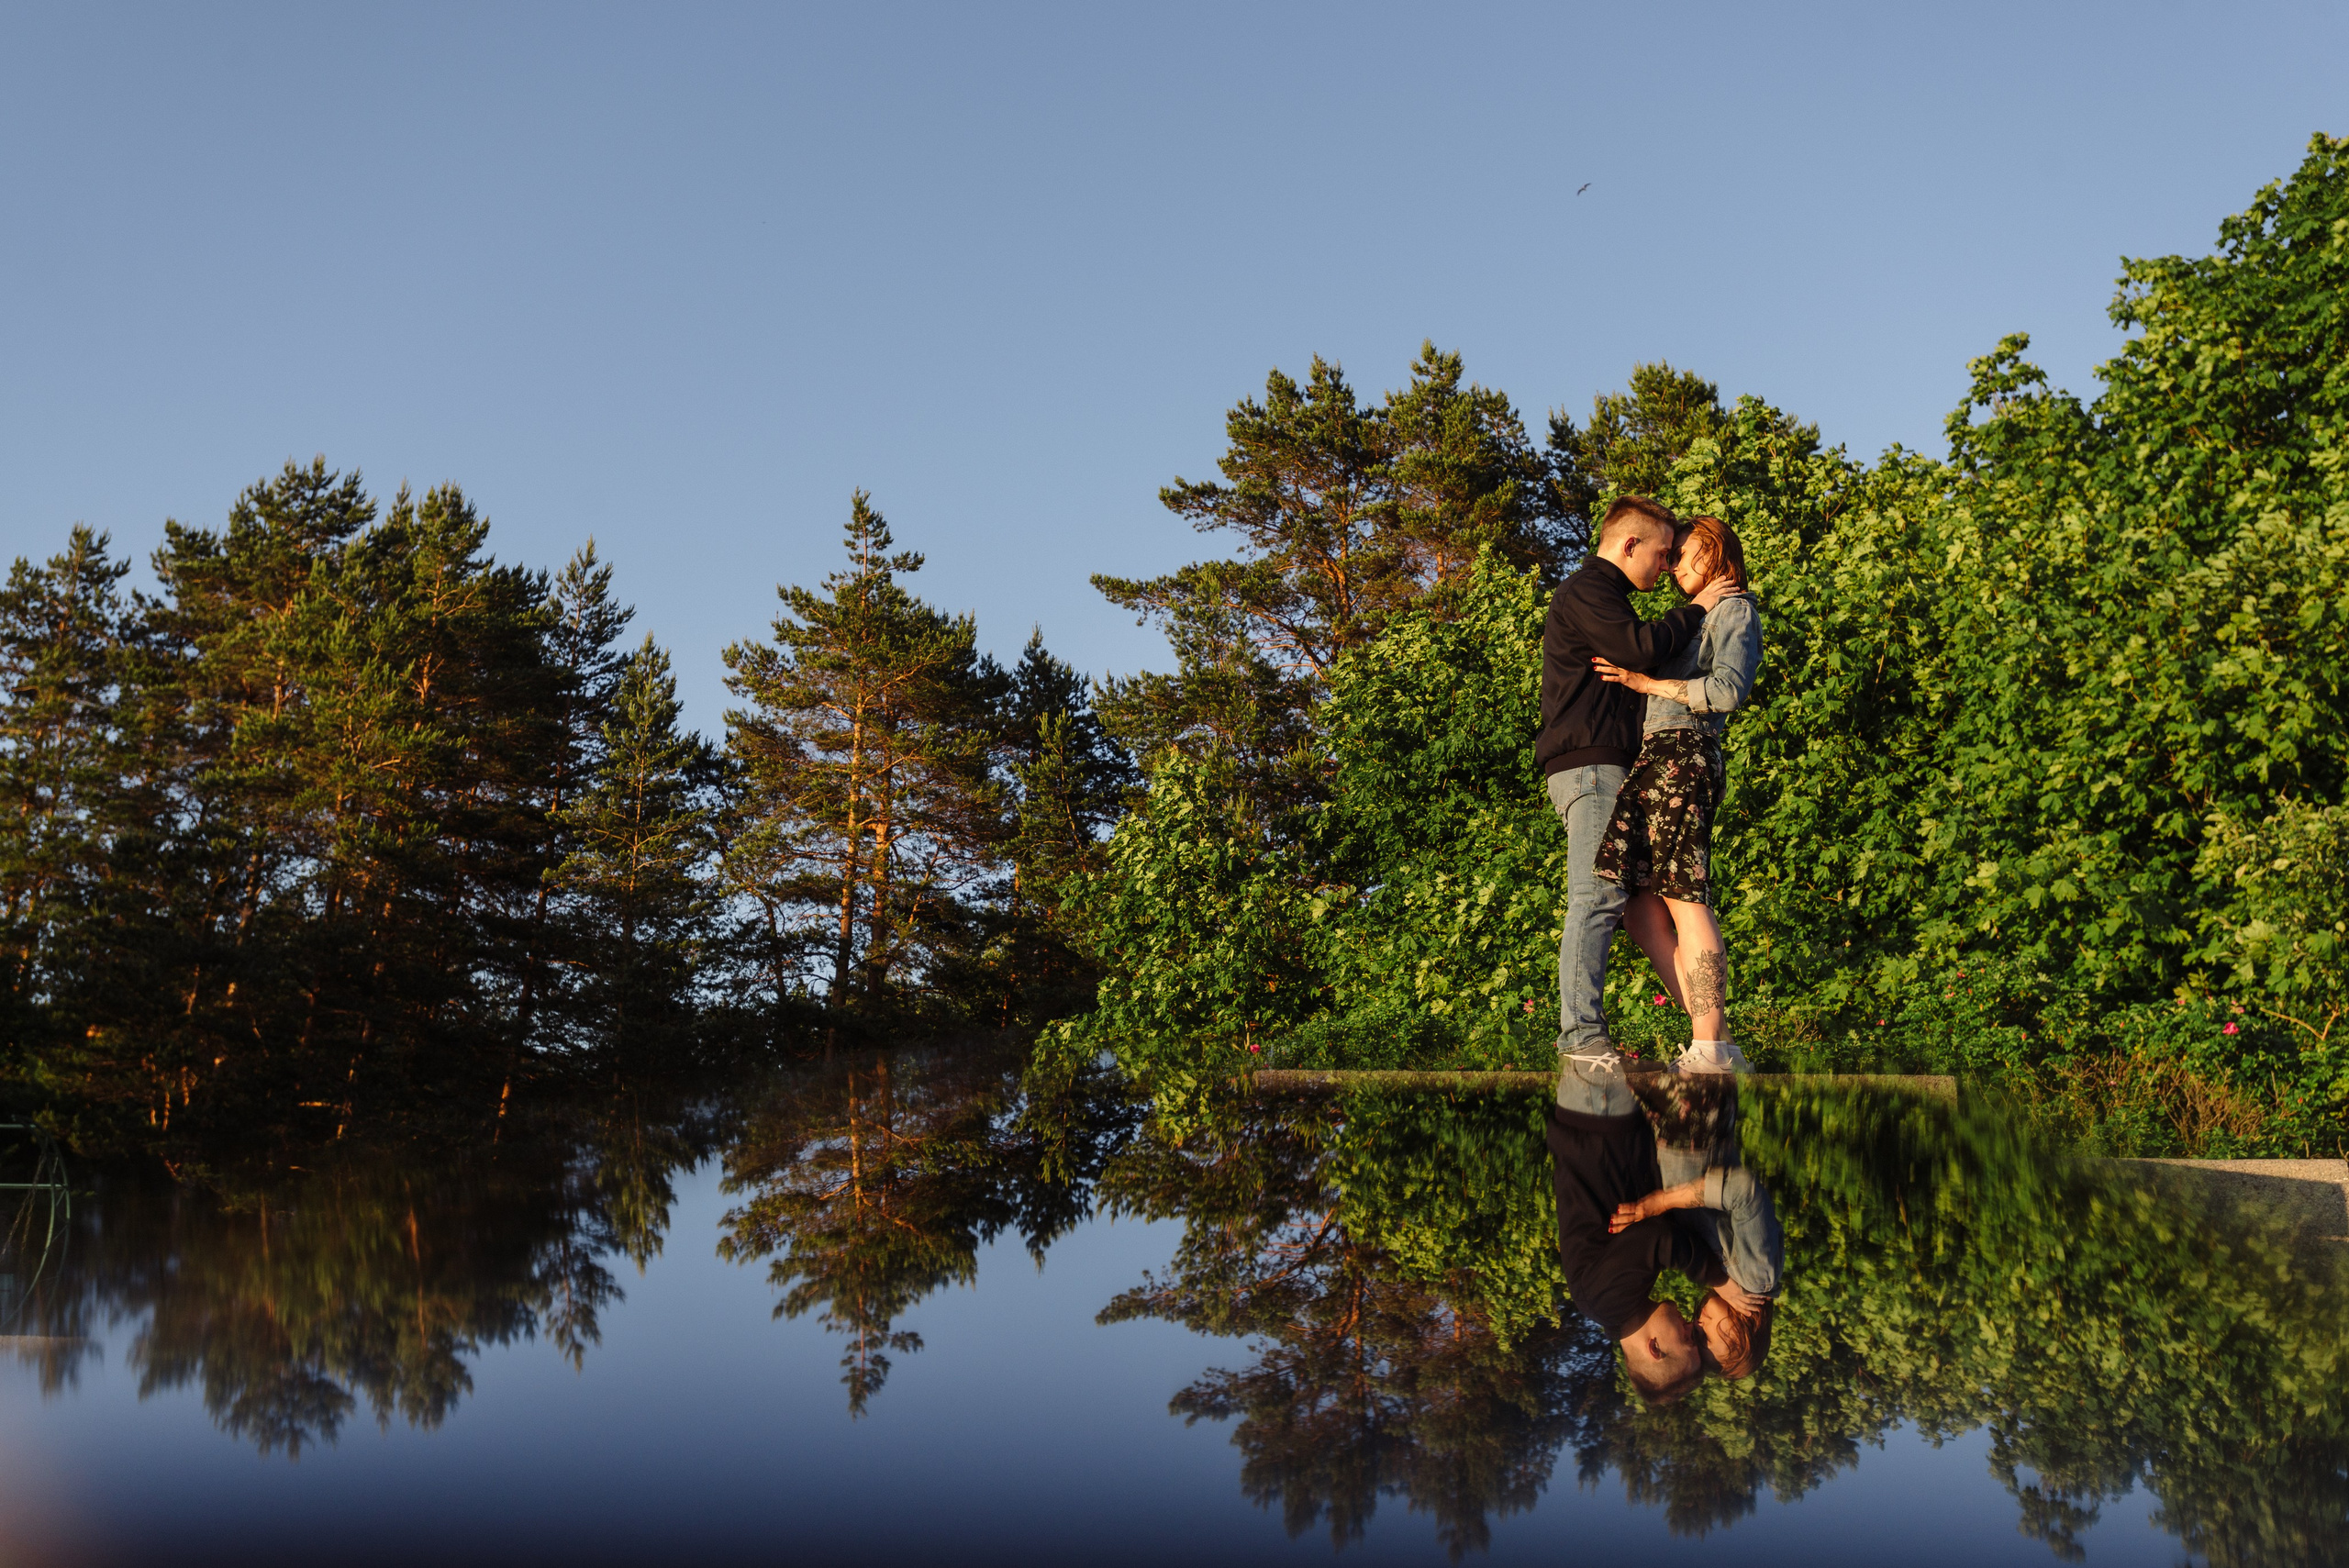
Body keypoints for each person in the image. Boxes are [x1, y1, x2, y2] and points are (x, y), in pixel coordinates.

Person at [1540, 498, 1736, 1062]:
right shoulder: (1587, 591)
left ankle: (1711, 1040)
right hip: (1592, 765)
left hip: (1616, 767)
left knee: (1640, 904)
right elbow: (1640, 649)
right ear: (1629, 545)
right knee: (1596, 896)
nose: (1667, 566)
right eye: (1661, 553)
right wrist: (1698, 607)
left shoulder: (1606, 597)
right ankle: (1580, 1039)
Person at [1590, 514, 1764, 1072]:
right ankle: (1711, 1029)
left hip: (1686, 755)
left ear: (1714, 552)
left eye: (1683, 553)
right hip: (1651, 761)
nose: (1672, 566)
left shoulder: (1735, 608)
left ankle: (1712, 1045)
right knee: (1638, 906)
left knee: (1685, 897)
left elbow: (1728, 690)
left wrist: (1648, 683)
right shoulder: (1691, 615)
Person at [1548, 1049, 1730, 1406]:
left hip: (1596, 1116)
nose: (1693, 1328)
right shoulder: (1622, 1300)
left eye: (1688, 1341)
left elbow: (1657, 1239)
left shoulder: (1606, 1304)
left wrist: (1718, 1278)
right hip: (1609, 1120)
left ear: (1656, 1349)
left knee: (1583, 1005)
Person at [1611, 1069, 1783, 1381]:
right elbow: (1745, 1192)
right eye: (1707, 1339)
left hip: (1675, 1131)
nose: (1697, 1327)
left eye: (1695, 1339)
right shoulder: (1757, 1279)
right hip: (1697, 1122)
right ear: (1743, 1337)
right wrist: (1662, 1202)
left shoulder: (1727, 1279)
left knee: (1623, 1051)